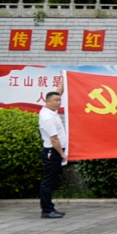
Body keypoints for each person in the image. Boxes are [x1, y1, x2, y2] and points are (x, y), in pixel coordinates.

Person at [38, 91, 67, 219]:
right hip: (52, 152)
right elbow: (54, 139)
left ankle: (50, 207)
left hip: (54, 152)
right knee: (48, 182)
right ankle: (46, 210)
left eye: (59, 100)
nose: (58, 102)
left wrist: (62, 78)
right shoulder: (48, 117)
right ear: (47, 101)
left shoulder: (49, 111)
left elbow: (58, 91)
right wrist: (62, 154)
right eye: (55, 100)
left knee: (51, 181)